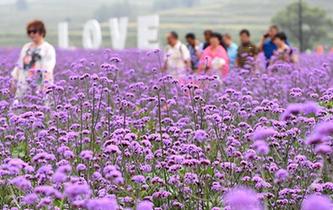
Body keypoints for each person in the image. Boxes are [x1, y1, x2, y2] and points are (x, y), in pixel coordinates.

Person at [11, 20, 56, 99]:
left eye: (34, 31)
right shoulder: (26, 47)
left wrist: (45, 86)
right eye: (29, 32)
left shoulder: (48, 48)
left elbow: (49, 68)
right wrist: (14, 80)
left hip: (41, 84)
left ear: (42, 32)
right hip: (24, 84)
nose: (31, 34)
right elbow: (19, 65)